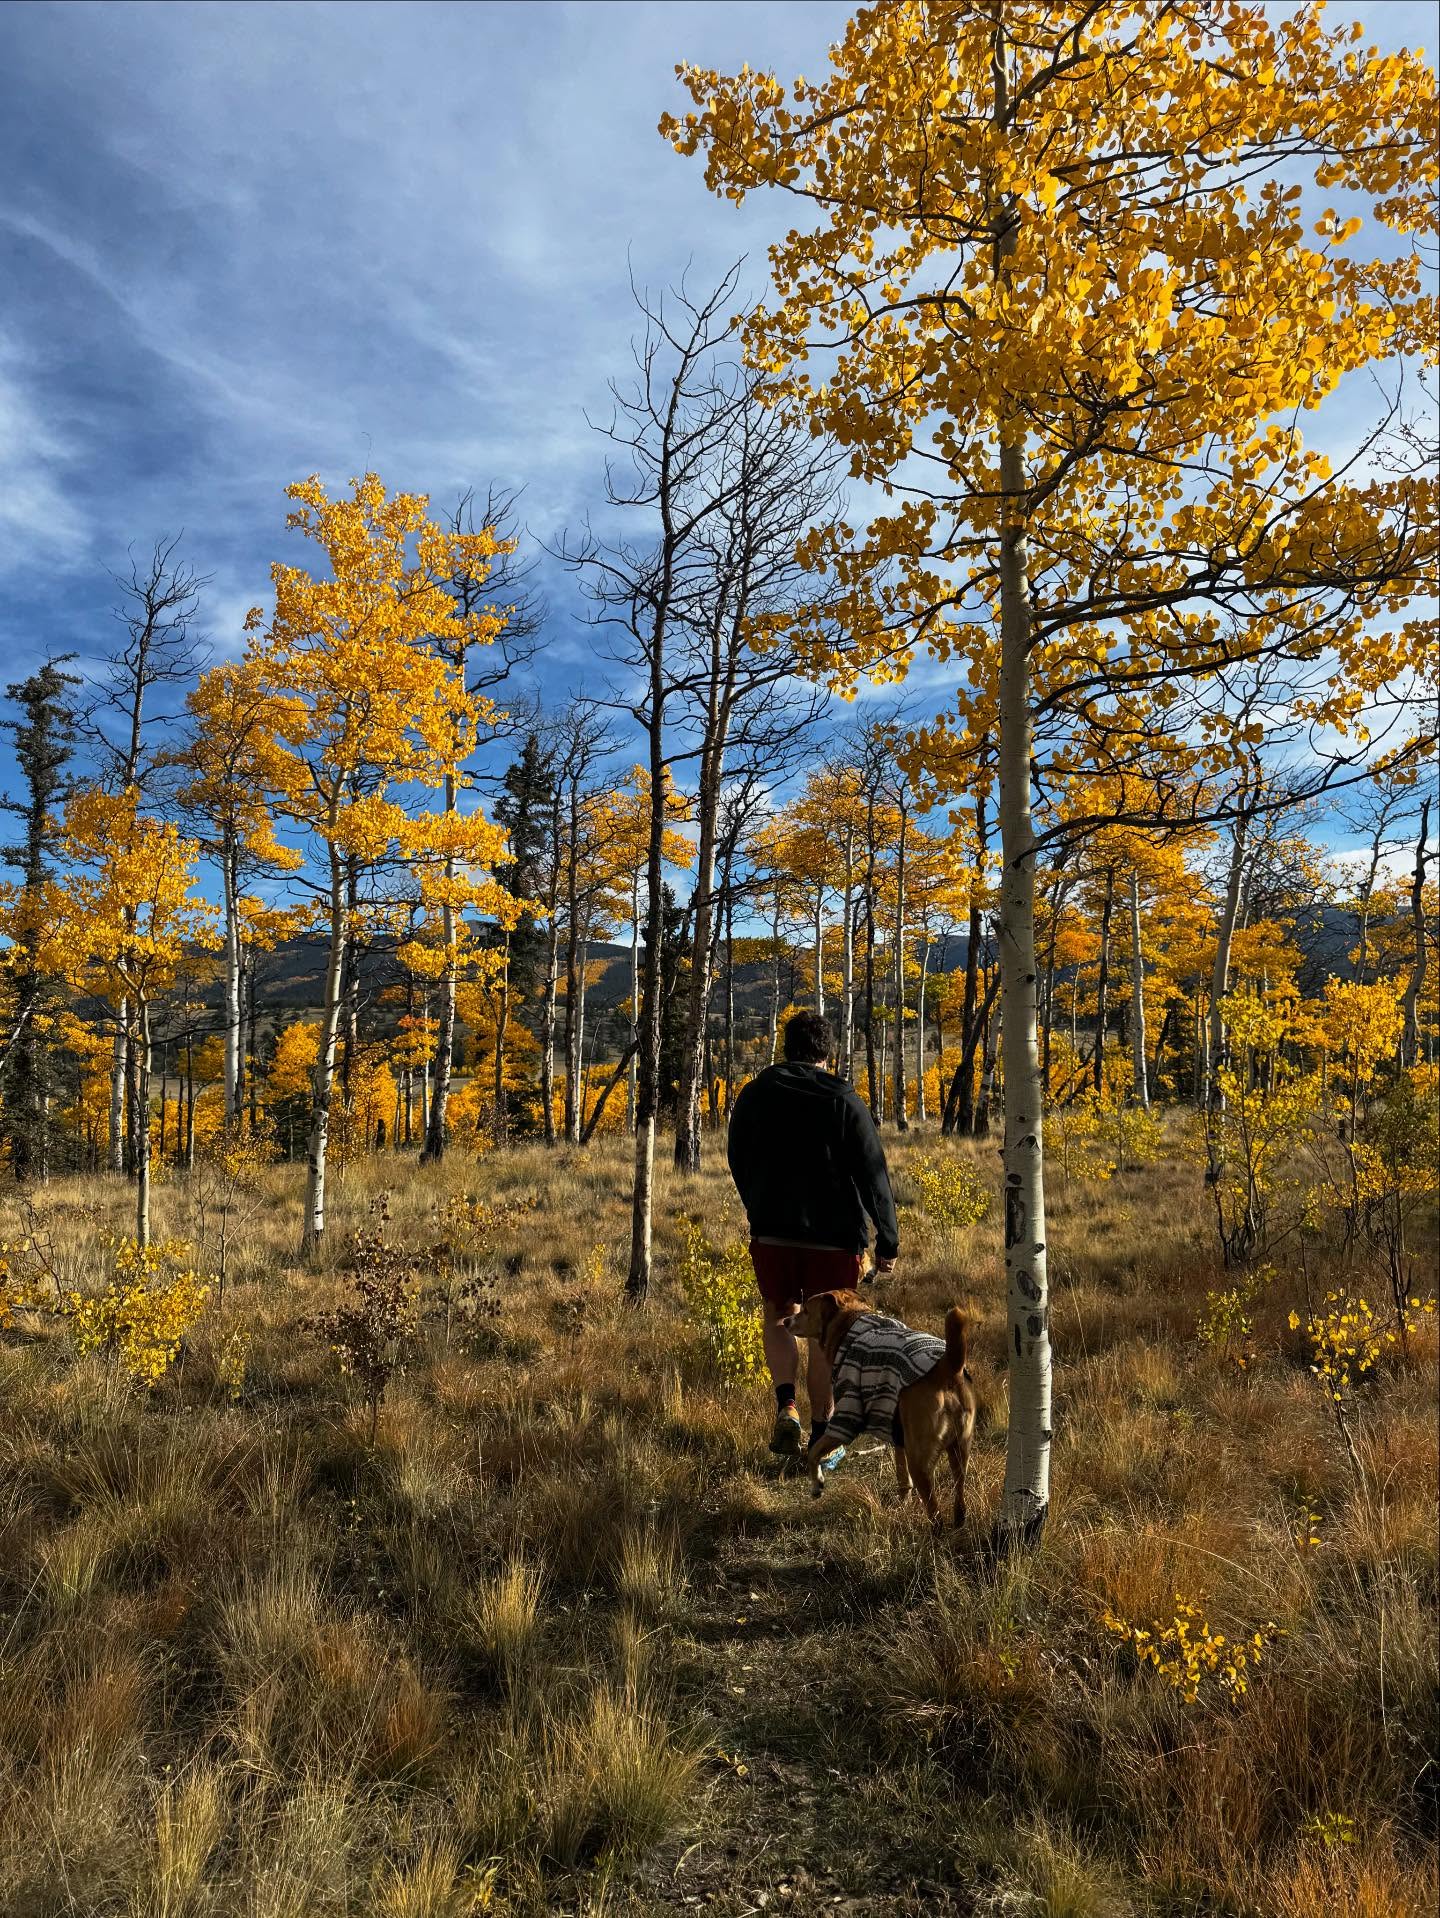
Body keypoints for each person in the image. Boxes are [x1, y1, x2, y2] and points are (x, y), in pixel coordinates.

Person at [726, 1008, 900, 1465]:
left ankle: (786, 1406)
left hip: (772, 1234)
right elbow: (872, 1174)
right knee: (827, 1336)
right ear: (829, 1052)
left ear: (787, 1048)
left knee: (779, 1316)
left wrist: (758, 1205)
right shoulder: (843, 1099)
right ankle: (823, 1439)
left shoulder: (755, 1094)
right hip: (834, 1237)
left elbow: (737, 1157)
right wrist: (888, 1241)